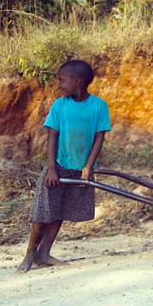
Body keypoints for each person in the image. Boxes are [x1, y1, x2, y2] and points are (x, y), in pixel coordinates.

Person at [17, 59, 111, 272]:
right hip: (58, 165)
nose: (58, 85)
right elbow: (52, 137)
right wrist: (51, 168)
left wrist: (88, 167)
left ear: (77, 82)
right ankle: (30, 253)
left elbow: (99, 138)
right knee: (43, 211)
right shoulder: (59, 105)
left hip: (81, 169)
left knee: (61, 210)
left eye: (62, 80)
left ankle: (44, 253)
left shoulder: (98, 106)